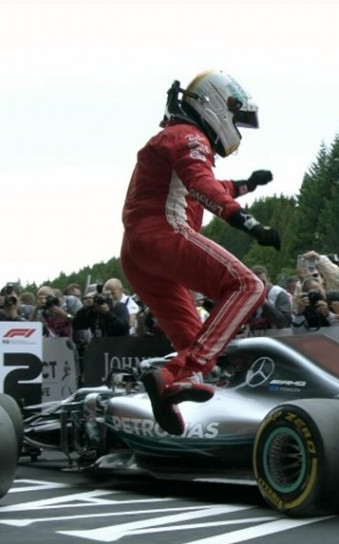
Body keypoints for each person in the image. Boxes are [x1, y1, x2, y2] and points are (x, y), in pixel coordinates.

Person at [120, 70, 281, 436]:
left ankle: (168, 387)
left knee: (195, 342)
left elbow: (200, 185)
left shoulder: (174, 137)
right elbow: (203, 185)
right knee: (248, 286)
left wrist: (246, 184)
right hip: (164, 234)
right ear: (217, 106)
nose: (238, 128)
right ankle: (175, 374)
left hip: (137, 253)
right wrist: (247, 223)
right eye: (237, 117)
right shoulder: (191, 137)